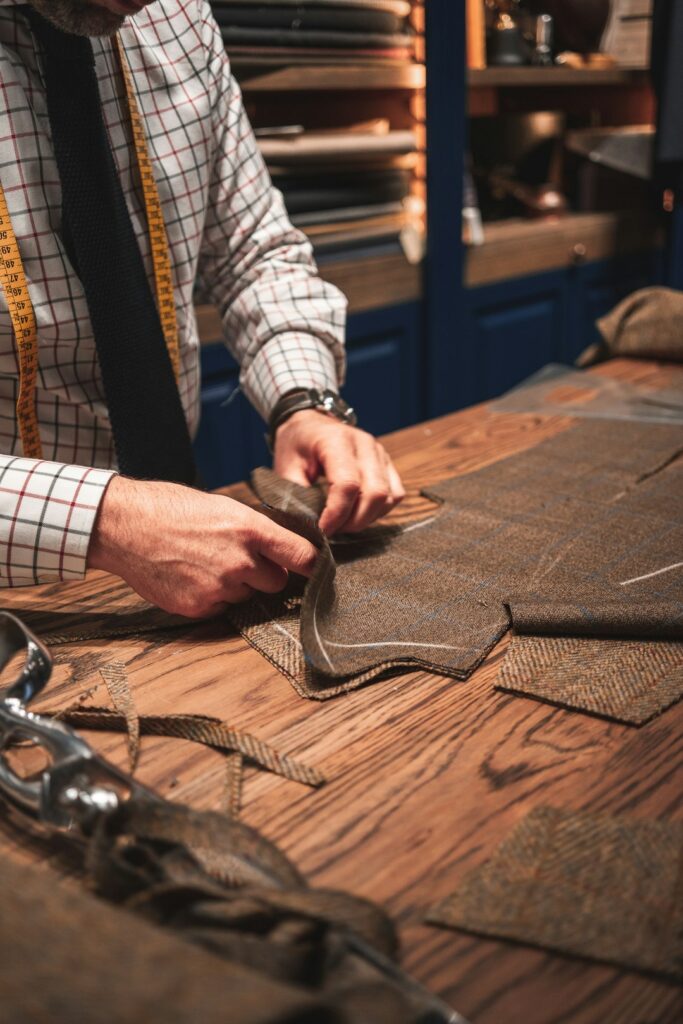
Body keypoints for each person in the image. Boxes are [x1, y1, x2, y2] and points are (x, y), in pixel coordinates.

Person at [0, 0, 405, 617]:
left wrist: (304, 403)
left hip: (192, 574)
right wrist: (105, 521)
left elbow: (252, 250)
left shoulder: (176, 16)